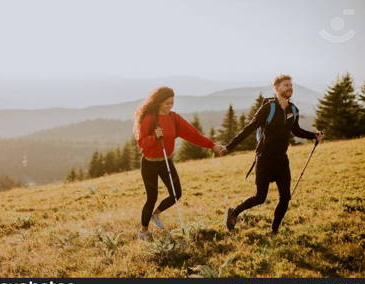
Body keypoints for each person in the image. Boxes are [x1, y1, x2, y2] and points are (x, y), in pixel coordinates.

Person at [222, 75, 325, 234]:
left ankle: (274, 231)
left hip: (281, 160)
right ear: (276, 88)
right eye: (285, 85)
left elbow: (296, 130)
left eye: (291, 85)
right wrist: (229, 147)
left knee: (285, 197)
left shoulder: (293, 110)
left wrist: (314, 135)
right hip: (264, 159)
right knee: (260, 198)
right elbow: (249, 128)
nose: (289, 88)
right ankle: (234, 212)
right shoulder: (268, 108)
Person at [134, 86, 224, 240]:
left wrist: (212, 145)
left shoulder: (173, 118)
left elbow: (193, 134)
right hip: (149, 163)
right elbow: (141, 143)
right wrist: (154, 137)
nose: (170, 106)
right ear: (158, 102)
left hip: (165, 161)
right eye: (166, 103)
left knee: (176, 193)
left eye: (172, 103)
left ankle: (155, 214)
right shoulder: (150, 118)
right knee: (152, 197)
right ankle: (143, 231)